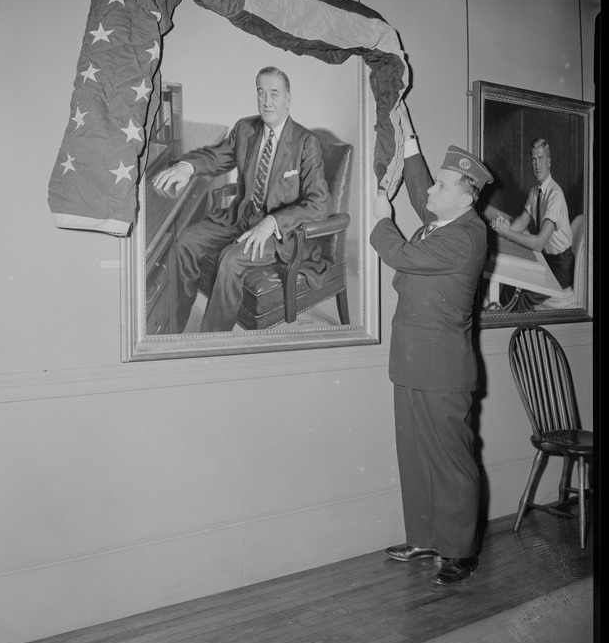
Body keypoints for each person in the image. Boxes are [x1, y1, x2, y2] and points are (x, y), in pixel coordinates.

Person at [370, 100, 493, 586]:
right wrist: (408, 136)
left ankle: (460, 550)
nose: (431, 192)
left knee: (450, 461)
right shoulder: (444, 220)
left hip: (443, 371)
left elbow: (398, 253)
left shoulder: (467, 235)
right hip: (411, 363)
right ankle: (426, 536)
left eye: (444, 185)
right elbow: (424, 190)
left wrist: (381, 216)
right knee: (415, 455)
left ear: (465, 198)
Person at [152, 66, 330, 332]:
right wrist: (188, 167)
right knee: (185, 243)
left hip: (279, 234)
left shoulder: (307, 142)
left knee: (230, 260)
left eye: (274, 94)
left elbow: (319, 203)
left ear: (288, 99)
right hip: (240, 218)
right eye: (261, 93)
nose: (267, 102)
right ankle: (173, 332)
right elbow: (216, 156)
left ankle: (210, 345)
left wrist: (273, 222)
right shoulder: (245, 128)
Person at [491, 137, 574, 312]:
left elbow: (538, 243)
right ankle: (500, 322)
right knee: (511, 284)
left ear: (549, 161)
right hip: (547, 260)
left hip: (562, 267)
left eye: (541, 158)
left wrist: (507, 233)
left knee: (525, 297)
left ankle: (514, 332)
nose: (537, 164)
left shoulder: (555, 195)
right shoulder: (535, 192)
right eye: (534, 159)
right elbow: (522, 221)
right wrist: (500, 230)